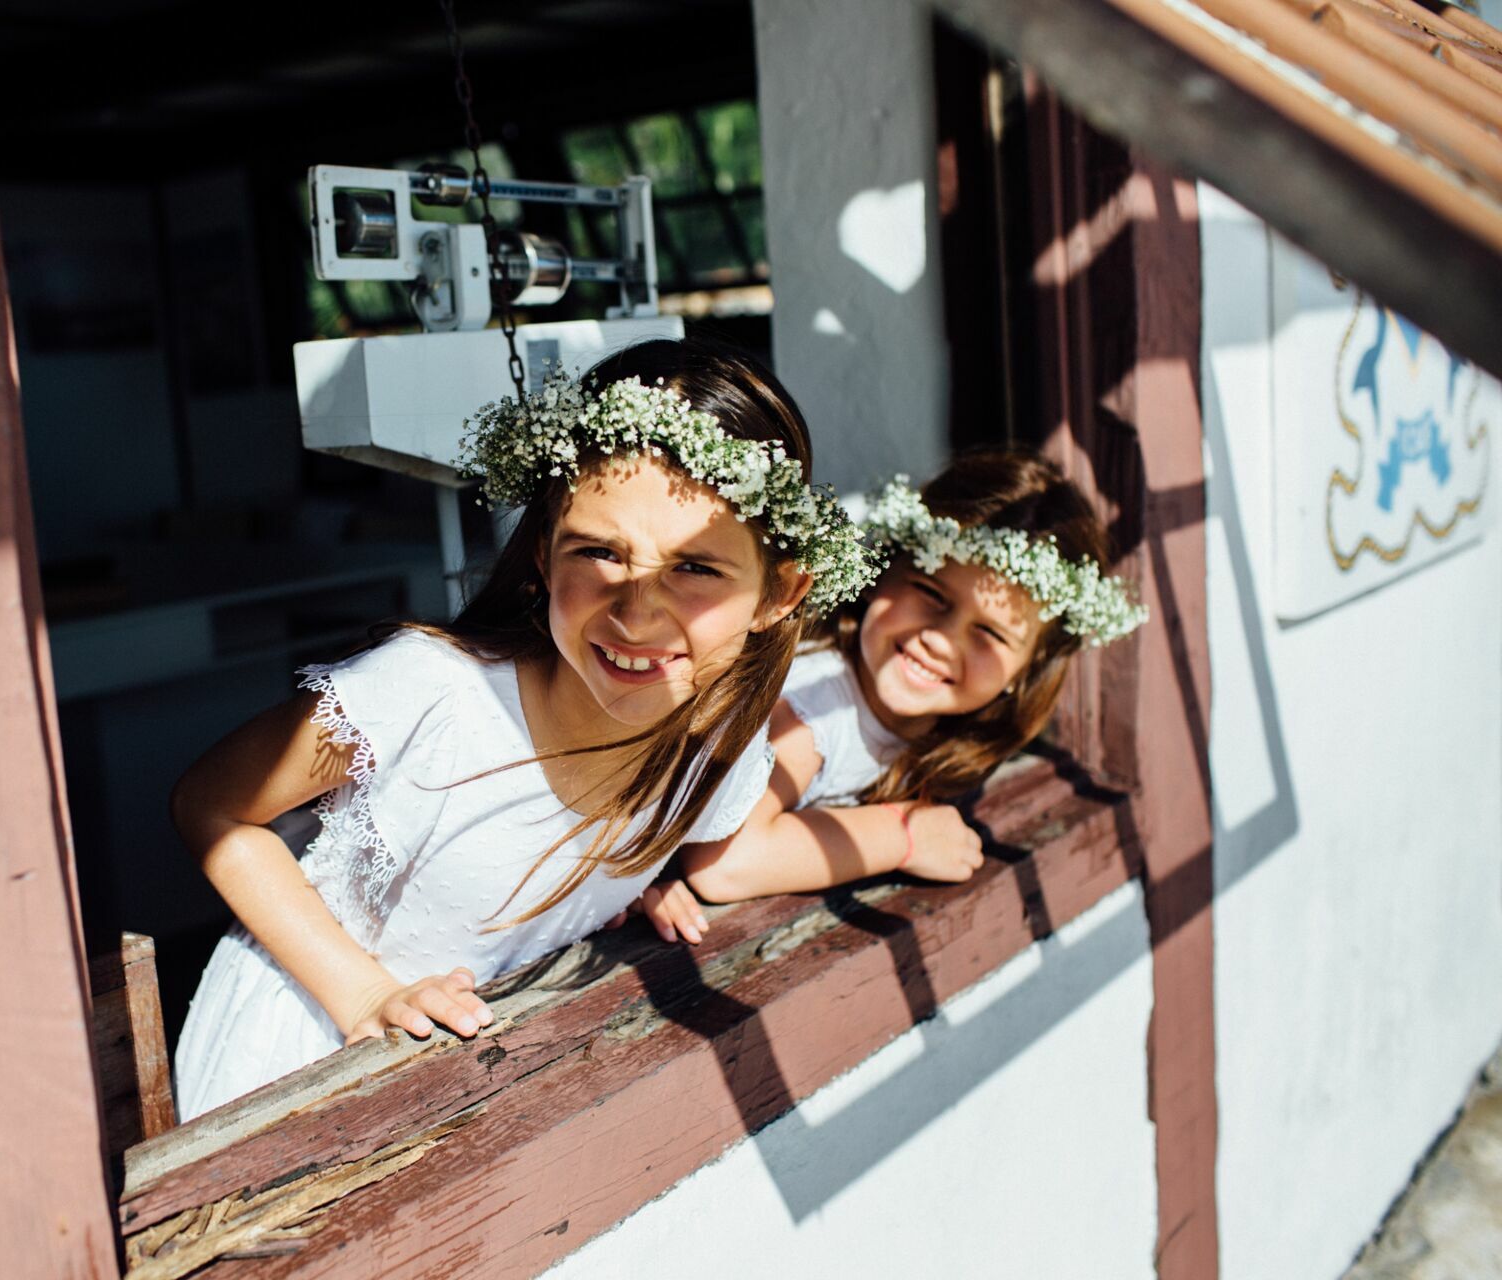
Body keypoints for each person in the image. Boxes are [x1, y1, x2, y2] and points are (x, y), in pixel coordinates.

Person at [169, 338, 877, 1119]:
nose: (637, 612)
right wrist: (364, 992)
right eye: (600, 552)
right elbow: (212, 803)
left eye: (696, 567)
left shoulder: (721, 756)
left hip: (461, 1079)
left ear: (781, 592)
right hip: (305, 1049)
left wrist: (635, 879)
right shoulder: (430, 695)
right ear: (541, 554)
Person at [632, 452, 1148, 942]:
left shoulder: (935, 729)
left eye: (990, 633)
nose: (941, 639)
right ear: (886, 571)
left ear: (1028, 668)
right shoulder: (816, 707)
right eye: (931, 592)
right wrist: (904, 835)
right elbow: (724, 864)